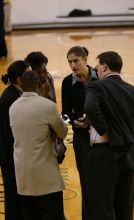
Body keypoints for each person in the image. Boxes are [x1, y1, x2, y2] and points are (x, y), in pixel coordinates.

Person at [84, 51, 134, 220]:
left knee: (101, 208)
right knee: (124, 209)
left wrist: (104, 131)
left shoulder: (96, 86)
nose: (96, 70)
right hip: (129, 155)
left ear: (104, 66)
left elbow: (90, 108)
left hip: (105, 154)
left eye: (97, 66)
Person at [9, 70, 68, 220]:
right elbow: (63, 132)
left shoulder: (13, 107)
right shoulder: (47, 106)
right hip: (45, 176)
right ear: (39, 84)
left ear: (21, 83)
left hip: (23, 176)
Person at [61, 46, 98, 220]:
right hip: (81, 138)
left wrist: (93, 120)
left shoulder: (100, 78)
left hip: (103, 137)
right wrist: (74, 121)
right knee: (87, 182)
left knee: (103, 182)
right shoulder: (67, 82)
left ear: (85, 59)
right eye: (69, 61)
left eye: (76, 60)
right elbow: (65, 113)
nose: (72, 65)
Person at [0, 60, 31, 220]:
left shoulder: (14, 93)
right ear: (19, 80)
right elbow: (10, 133)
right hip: (11, 159)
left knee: (17, 201)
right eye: (29, 72)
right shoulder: (11, 98)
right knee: (14, 201)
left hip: (12, 157)